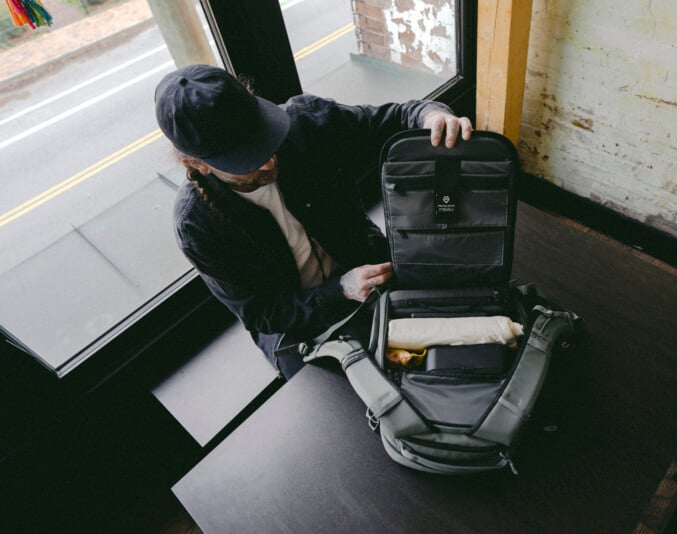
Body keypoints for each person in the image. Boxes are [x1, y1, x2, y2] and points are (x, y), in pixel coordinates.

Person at [154, 64, 472, 379]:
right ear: (196, 164)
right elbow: (265, 314)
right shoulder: (197, 225)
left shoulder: (308, 122)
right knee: (352, 404)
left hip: (366, 263)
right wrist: (340, 290)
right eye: (246, 159)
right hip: (295, 330)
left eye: (263, 138)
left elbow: (396, 119)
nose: (268, 160)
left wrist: (432, 116)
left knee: (438, 357)